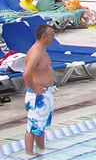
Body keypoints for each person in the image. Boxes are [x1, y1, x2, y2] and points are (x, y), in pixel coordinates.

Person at [23, 23, 56, 156]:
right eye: (52, 35)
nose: (53, 38)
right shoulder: (36, 52)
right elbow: (26, 73)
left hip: (45, 94)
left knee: (40, 125)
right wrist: (34, 88)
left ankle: (41, 149)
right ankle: (29, 153)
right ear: (44, 37)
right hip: (38, 96)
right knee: (32, 125)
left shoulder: (42, 50)